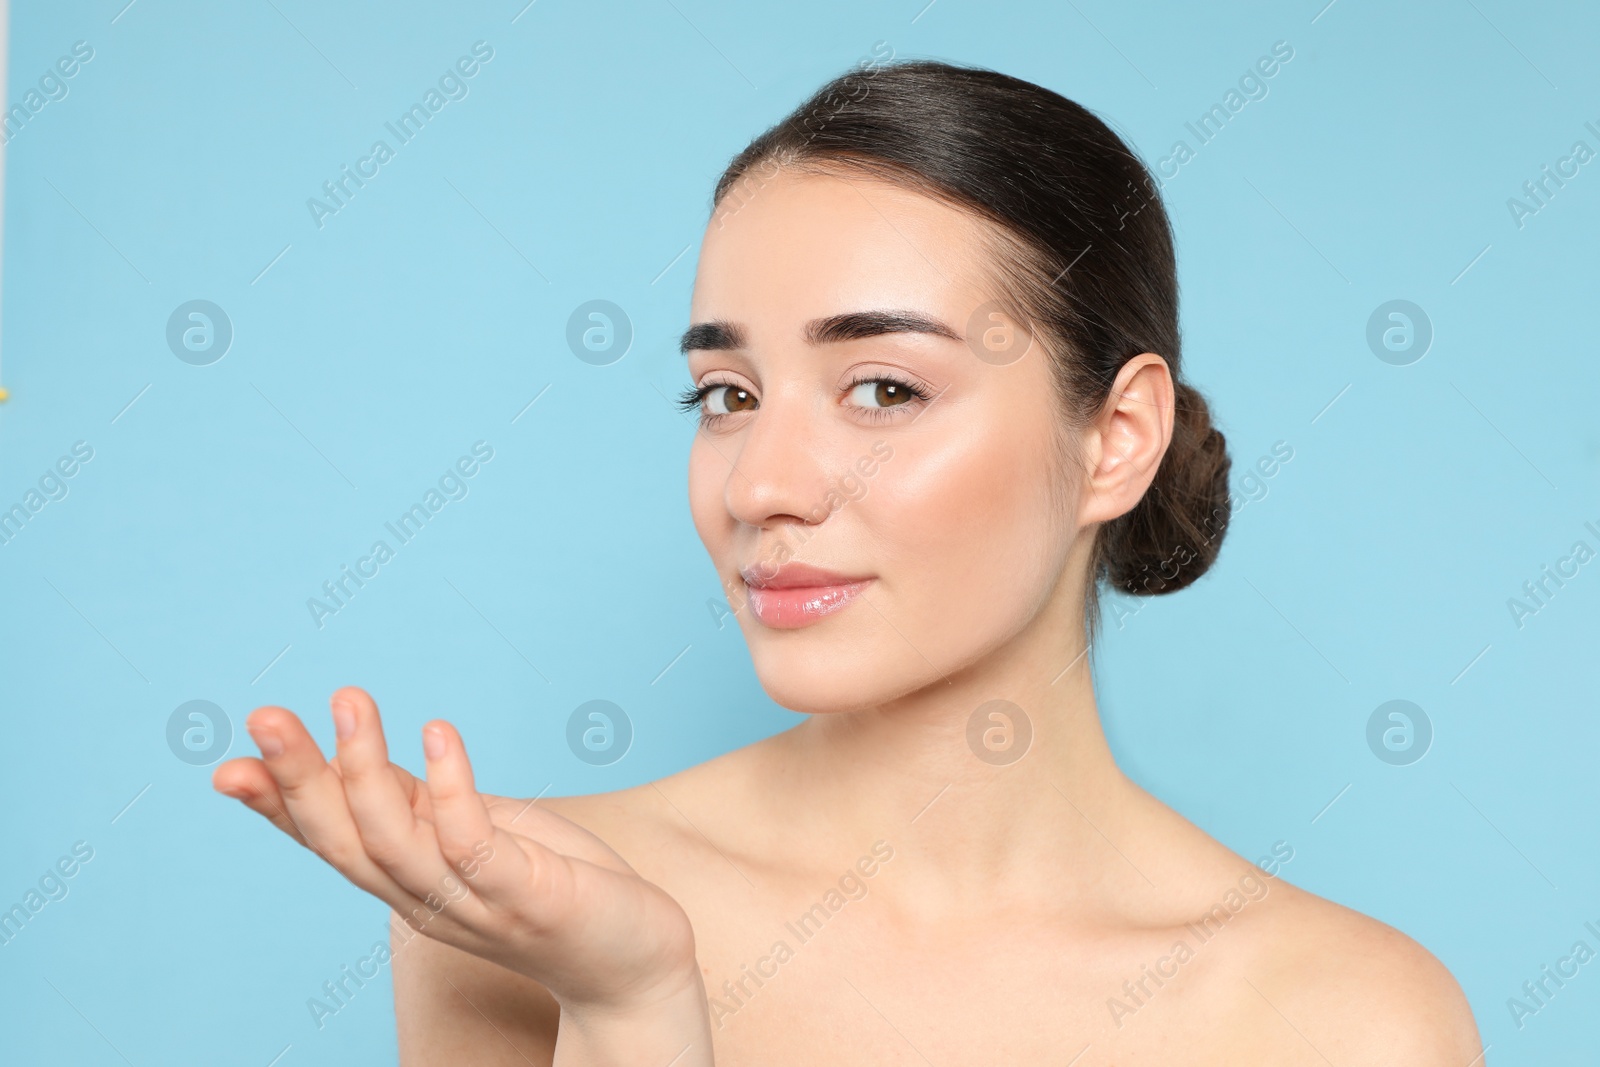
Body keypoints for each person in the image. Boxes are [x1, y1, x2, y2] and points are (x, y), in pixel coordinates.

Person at [213, 58, 1483, 1064]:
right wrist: (630, 1000)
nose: (759, 484)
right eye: (724, 393)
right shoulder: (521, 906)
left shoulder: (1350, 1020)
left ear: (1115, 440)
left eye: (881, 386)